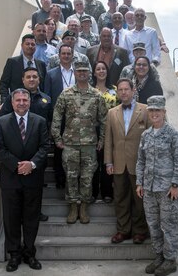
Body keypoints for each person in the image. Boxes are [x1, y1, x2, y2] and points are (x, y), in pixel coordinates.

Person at [0, 88, 50, 272]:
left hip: (33, 179)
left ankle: (29, 253)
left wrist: (32, 164)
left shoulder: (40, 122)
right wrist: (18, 165)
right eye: (18, 100)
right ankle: (14, 255)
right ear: (12, 102)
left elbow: (44, 147)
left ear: (29, 102)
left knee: (31, 218)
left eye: (25, 100)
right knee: (11, 219)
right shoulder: (1, 122)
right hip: (11, 179)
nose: (22, 103)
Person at [136, 95, 178, 276]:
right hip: (149, 190)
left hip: (167, 190)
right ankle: (158, 257)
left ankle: (170, 260)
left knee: (169, 225)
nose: (154, 113)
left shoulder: (174, 135)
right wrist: (139, 183)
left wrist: (175, 184)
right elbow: (140, 161)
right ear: (148, 112)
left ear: (164, 112)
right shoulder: (146, 135)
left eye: (158, 110)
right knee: (153, 225)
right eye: (151, 110)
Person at [51, 61, 107, 224]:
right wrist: (57, 138)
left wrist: (102, 139)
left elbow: (104, 119)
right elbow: (56, 117)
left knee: (87, 177)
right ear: (74, 73)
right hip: (70, 144)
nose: (82, 73)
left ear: (89, 73)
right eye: (79, 71)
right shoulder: (66, 94)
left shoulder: (97, 95)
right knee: (71, 176)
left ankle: (83, 207)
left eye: (85, 71)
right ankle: (72, 207)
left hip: (90, 144)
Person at [0, 67, 52, 222]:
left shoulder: (46, 99)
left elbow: (50, 121)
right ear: (22, 79)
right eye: (28, 76)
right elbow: (4, 120)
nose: (31, 79)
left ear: (39, 80)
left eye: (34, 76)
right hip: (17, 150)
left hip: (37, 152)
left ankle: (37, 212)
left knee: (37, 185)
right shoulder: (14, 98)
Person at [104, 78, 150, 244]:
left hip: (139, 164)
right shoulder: (111, 113)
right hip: (118, 164)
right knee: (120, 199)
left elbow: (151, 139)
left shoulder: (145, 110)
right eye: (120, 90)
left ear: (133, 90)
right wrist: (108, 162)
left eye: (126, 89)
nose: (123, 92)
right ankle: (123, 231)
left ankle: (139, 231)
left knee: (139, 200)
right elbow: (108, 140)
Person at [45, 45, 75, 189]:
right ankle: (60, 179)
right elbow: (47, 97)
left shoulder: (78, 73)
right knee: (59, 149)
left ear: (72, 55)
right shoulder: (51, 74)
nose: (66, 56)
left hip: (76, 118)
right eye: (63, 53)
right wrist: (52, 117)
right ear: (59, 55)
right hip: (59, 117)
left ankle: (74, 179)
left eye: (68, 53)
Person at [91, 61, 118, 202]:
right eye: (98, 69)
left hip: (111, 128)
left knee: (108, 160)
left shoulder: (114, 89)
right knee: (94, 162)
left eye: (103, 69)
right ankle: (93, 192)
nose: (101, 71)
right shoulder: (89, 89)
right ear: (94, 72)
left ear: (107, 71)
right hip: (92, 130)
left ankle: (107, 192)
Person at [0, 34, 46, 104]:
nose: (30, 46)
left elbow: (44, 85)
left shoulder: (41, 64)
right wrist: (4, 101)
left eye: (33, 44)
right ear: (22, 46)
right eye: (27, 44)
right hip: (18, 103)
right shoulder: (12, 62)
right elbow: (3, 84)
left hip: (37, 103)